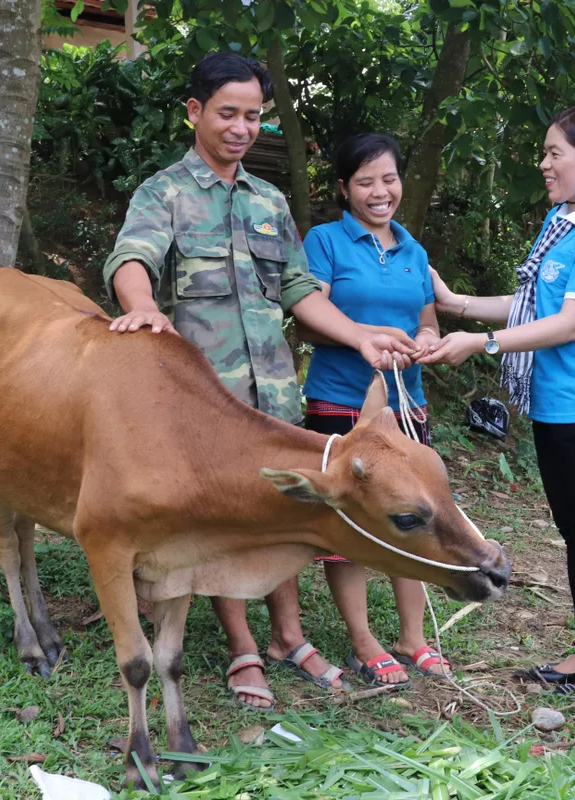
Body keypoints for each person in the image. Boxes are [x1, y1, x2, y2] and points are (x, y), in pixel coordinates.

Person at [102, 52, 416, 711]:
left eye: (253, 116)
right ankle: (242, 645)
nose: (241, 128)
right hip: (204, 403)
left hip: (273, 398)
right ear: (195, 112)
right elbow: (132, 258)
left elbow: (299, 289)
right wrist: (144, 305)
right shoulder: (165, 193)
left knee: (280, 513)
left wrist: (360, 336)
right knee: (222, 519)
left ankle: (288, 634)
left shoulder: (269, 200)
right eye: (228, 114)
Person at [421, 105, 575, 699]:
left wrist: (482, 344)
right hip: (552, 403)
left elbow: (571, 322)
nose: (544, 164)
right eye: (544, 152)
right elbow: (531, 304)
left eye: (555, 154)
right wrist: (456, 303)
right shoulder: (564, 219)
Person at [296, 133, 450, 687]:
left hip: (407, 404)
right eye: (365, 182)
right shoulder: (325, 241)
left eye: (389, 178)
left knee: (414, 515)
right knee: (349, 520)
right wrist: (366, 336)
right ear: (344, 188)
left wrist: (425, 340)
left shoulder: (414, 251)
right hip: (339, 400)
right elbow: (308, 318)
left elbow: (427, 319)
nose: (380, 191)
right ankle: (363, 640)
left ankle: (413, 636)